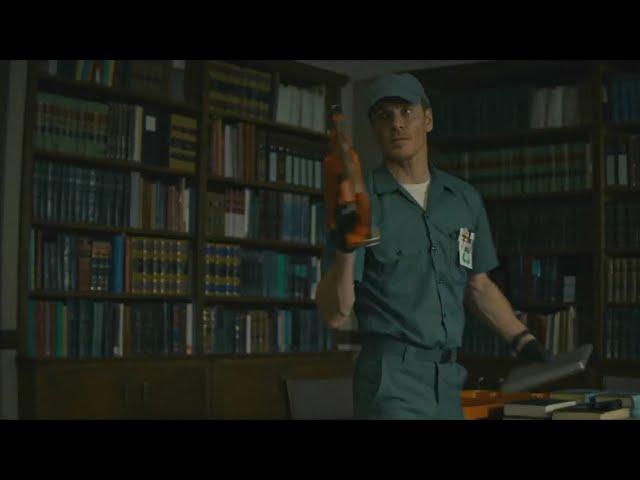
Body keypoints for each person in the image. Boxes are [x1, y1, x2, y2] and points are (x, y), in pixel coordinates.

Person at [315, 73, 552, 420]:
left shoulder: (463, 200)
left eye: (406, 112)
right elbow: (335, 314)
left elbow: (478, 285)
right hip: (390, 380)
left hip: (449, 379)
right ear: (374, 128)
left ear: (427, 120)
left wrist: (524, 342)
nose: (397, 124)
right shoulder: (360, 202)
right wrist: (346, 247)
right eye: (384, 115)